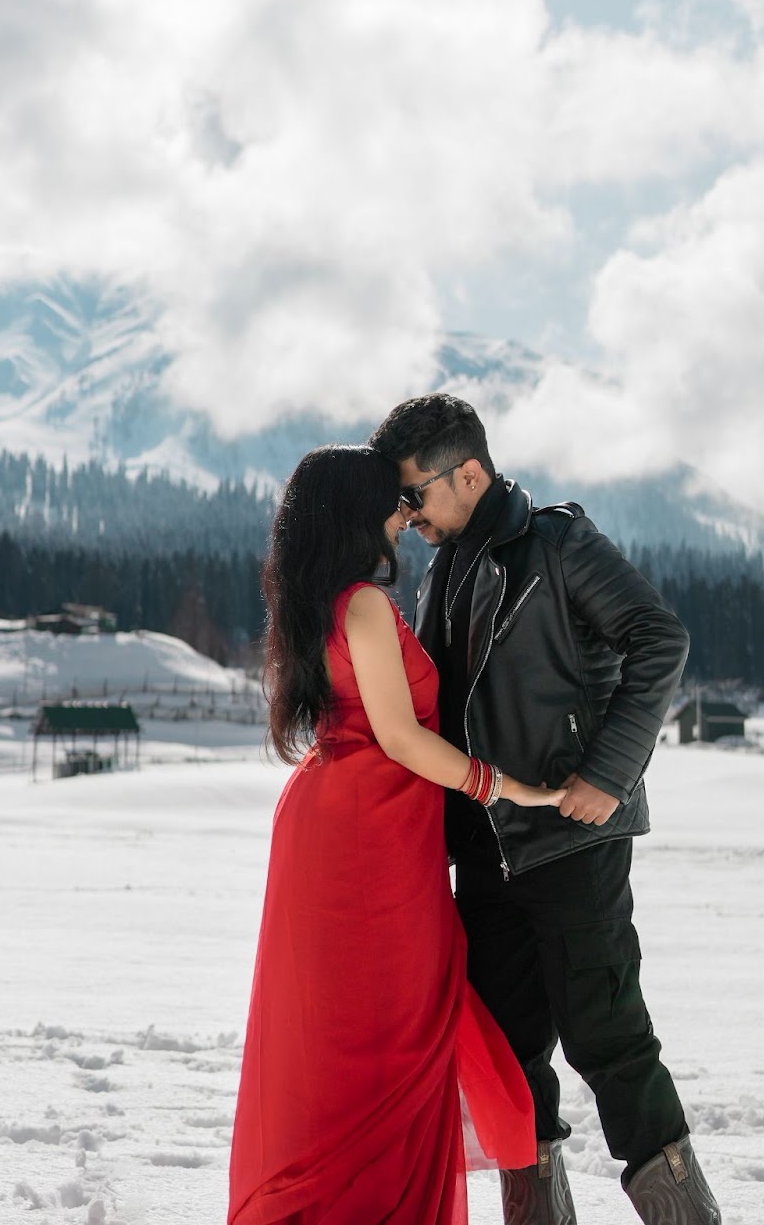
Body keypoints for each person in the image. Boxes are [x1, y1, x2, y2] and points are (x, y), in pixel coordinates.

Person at [370, 396, 723, 1225]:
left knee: (610, 1041)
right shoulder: (446, 563)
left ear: (469, 472)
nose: (407, 513)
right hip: (486, 851)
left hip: (569, 837)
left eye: (415, 493)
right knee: (510, 1058)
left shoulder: (559, 544)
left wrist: (610, 770)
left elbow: (659, 638)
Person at [228, 444, 568, 1225]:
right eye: (394, 502)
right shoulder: (364, 606)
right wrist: (504, 785)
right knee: (386, 1035)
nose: (405, 515)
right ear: (358, 514)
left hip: (356, 826)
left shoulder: (321, 600)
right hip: (364, 837)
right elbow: (403, 739)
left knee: (359, 1035)